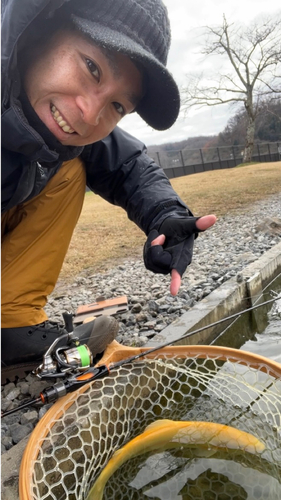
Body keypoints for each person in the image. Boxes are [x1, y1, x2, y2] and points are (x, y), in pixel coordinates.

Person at [1, 0, 216, 371]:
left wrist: (165, 215)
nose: (89, 114)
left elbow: (125, 163)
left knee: (72, 164)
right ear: (41, 26)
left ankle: (11, 321)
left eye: (117, 105)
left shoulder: (61, 123)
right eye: (91, 67)